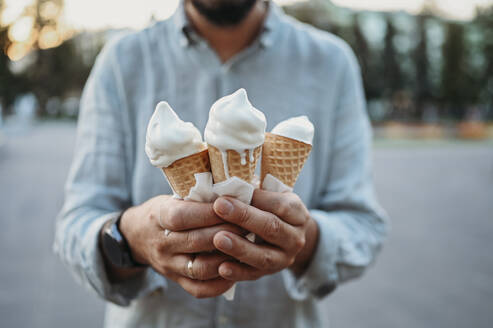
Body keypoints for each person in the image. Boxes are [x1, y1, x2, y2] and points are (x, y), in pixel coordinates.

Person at [54, 0, 388, 327]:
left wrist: (305, 239)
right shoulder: (120, 61)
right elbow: (75, 225)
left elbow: (363, 227)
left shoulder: (332, 62)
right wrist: (130, 239)